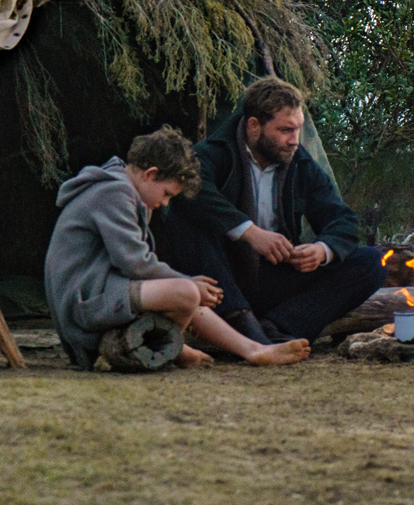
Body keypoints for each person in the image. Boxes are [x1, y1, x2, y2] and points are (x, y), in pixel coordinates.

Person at [44, 125, 311, 369]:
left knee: (186, 292)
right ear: (151, 174)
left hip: (99, 294)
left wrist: (187, 285)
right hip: (83, 306)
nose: (165, 203)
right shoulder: (116, 193)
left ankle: (254, 349)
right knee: (185, 291)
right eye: (167, 194)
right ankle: (174, 346)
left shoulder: (126, 192)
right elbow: (135, 263)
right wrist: (187, 282)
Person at [155, 78, 386, 346]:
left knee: (372, 262)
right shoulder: (213, 153)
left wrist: (322, 250)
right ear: (254, 126)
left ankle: (279, 327)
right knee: (187, 223)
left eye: (297, 129)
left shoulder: (299, 162)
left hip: (273, 278)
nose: (294, 141)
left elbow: (342, 220)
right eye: (285, 130)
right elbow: (191, 194)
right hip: (221, 278)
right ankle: (243, 324)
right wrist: (250, 233)